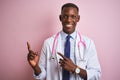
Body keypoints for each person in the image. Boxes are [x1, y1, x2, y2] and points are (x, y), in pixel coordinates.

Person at [27, 3, 101, 80]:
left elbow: (96, 74)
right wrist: (35, 66)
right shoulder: (48, 43)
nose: (68, 20)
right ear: (60, 18)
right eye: (65, 16)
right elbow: (42, 76)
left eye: (73, 16)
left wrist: (75, 69)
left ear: (78, 18)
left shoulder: (88, 43)